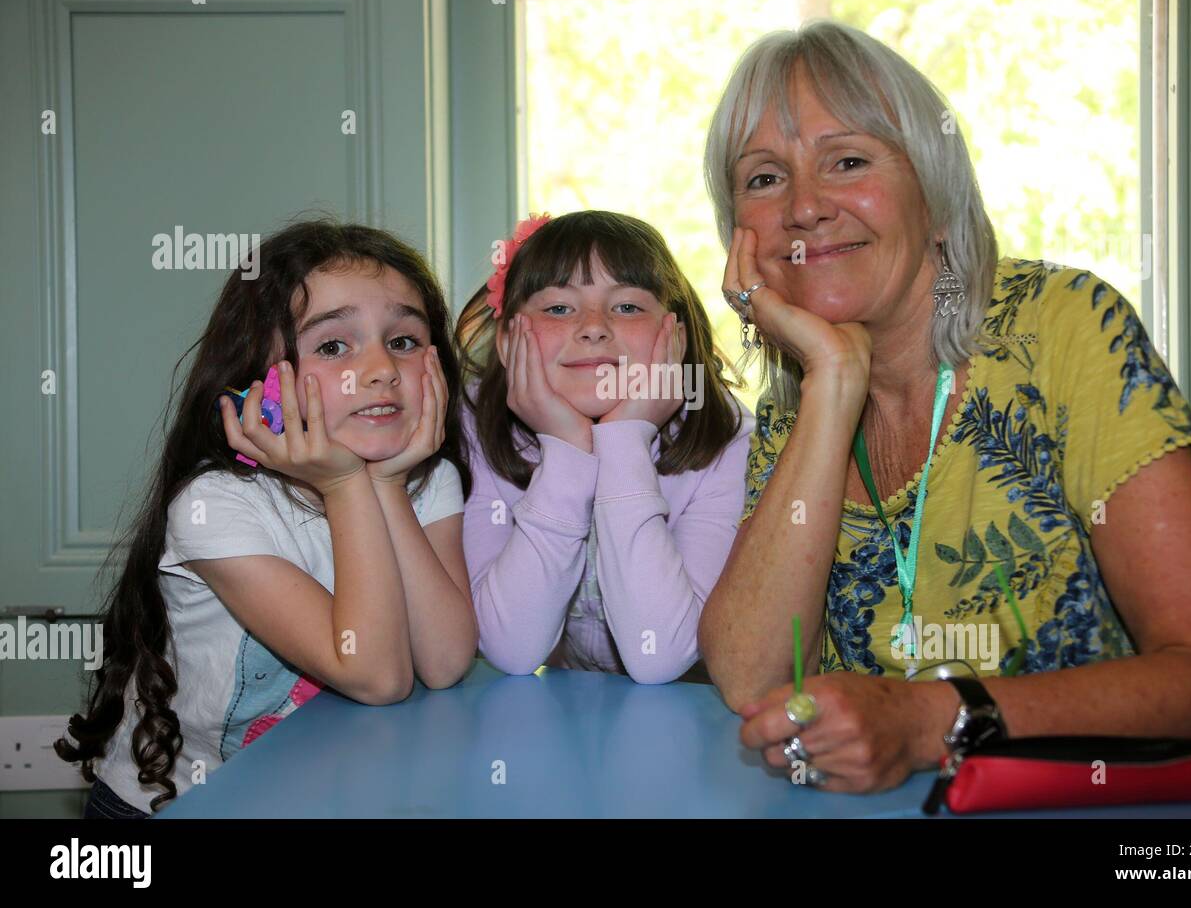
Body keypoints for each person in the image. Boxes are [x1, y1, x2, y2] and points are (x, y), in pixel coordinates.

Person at [696, 20, 1191, 793]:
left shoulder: (1066, 329)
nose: (804, 208)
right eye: (763, 178)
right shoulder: (799, 402)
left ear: (934, 197)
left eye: (849, 161)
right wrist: (833, 379)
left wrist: (927, 719)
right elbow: (750, 678)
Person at [56, 221, 478, 815]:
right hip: (168, 808)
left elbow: (445, 661)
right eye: (334, 346)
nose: (380, 367)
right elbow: (377, 676)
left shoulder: (427, 483)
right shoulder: (216, 506)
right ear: (262, 381)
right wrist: (346, 482)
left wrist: (383, 485)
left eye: (404, 340)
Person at [457, 210, 753, 684]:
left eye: (627, 307)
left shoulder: (728, 441)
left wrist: (625, 439)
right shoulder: (476, 427)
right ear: (510, 339)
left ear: (675, 334)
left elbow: (660, 655)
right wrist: (565, 449)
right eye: (558, 308)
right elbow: (511, 649)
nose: (594, 327)